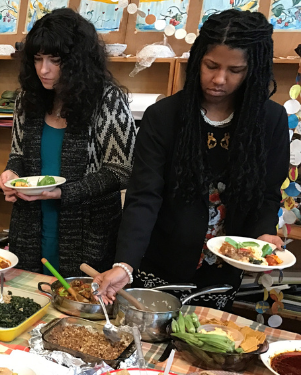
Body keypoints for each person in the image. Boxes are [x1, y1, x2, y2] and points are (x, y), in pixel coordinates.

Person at [94, 10, 288, 311]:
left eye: (235, 70)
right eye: (211, 65)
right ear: (198, 59)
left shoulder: (271, 121)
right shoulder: (164, 117)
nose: (219, 79)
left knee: (203, 341)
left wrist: (263, 235)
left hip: (223, 267)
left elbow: (266, 194)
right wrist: (126, 263)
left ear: (254, 70)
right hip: (160, 262)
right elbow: (144, 196)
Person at [0, 8, 136, 276]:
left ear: (77, 61)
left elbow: (121, 171)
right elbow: (17, 154)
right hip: (32, 226)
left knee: (78, 304)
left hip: (87, 233)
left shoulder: (107, 100)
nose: (43, 69)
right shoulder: (28, 99)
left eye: (55, 60)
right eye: (37, 59)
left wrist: (65, 192)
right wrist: (11, 173)